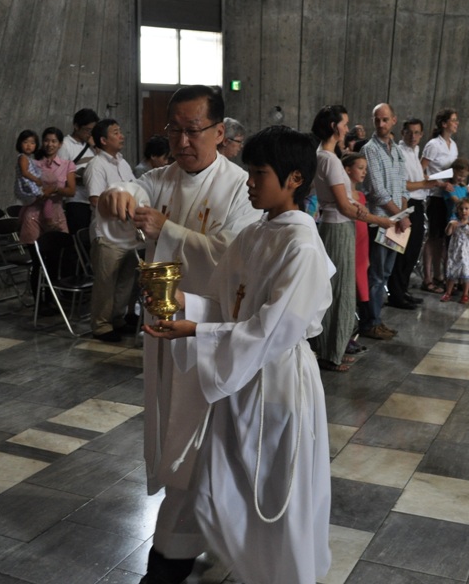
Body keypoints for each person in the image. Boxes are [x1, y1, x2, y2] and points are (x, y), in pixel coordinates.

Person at [142, 126, 332, 584]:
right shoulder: (253, 234)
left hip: (279, 384)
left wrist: (197, 330)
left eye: (259, 173)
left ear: (293, 178)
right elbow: (227, 307)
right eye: (248, 172)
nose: (249, 182)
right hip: (239, 381)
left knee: (275, 496)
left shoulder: (301, 245)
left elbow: (274, 330)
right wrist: (182, 303)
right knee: (215, 485)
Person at [96, 84, 261, 584]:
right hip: (165, 330)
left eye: (194, 130)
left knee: (209, 443)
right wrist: (116, 199)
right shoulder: (158, 178)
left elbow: (233, 254)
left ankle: (189, 549)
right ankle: (204, 539)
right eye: (174, 130)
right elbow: (129, 202)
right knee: (175, 428)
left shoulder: (240, 187)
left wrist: (167, 230)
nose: (183, 141)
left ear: (219, 132)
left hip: (213, 330)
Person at [310, 105, 390, 371]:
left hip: (335, 225)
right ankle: (330, 352)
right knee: (340, 290)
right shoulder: (330, 159)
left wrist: (358, 207)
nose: (347, 128)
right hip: (338, 228)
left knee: (337, 289)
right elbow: (343, 206)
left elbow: (343, 200)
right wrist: (380, 220)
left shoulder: (322, 155)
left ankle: (334, 347)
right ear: (334, 127)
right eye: (344, 124)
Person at [84, 119, 138, 342]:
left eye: (120, 131)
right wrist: (121, 208)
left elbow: (135, 190)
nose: (121, 136)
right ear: (103, 140)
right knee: (106, 282)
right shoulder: (97, 165)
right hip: (107, 233)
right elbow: (95, 199)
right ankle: (101, 325)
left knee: (126, 280)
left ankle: (117, 318)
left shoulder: (123, 163)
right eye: (116, 133)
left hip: (127, 232)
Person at [360, 103, 410, 341]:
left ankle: (377, 320)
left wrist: (403, 214)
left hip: (397, 222)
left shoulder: (397, 150)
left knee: (386, 273)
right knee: (377, 275)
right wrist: (400, 216)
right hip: (380, 221)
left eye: (385, 119)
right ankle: (370, 323)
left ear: (393, 121)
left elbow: (402, 186)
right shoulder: (370, 149)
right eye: (377, 119)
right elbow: (377, 191)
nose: (380, 124)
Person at [388, 118, 437, 309]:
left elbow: (414, 178)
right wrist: (425, 183)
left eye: (417, 132)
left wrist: (426, 180)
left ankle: (403, 290)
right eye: (409, 132)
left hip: (418, 203)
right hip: (406, 203)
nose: (413, 136)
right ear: (402, 133)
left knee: (413, 252)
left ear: (422, 134)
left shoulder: (415, 151)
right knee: (404, 252)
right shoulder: (399, 152)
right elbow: (402, 184)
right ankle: (396, 295)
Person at [420, 108, 460, 293]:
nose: (456, 123)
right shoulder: (433, 145)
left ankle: (440, 276)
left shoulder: (453, 145)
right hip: (435, 196)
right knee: (433, 238)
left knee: (443, 239)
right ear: (444, 124)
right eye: (453, 120)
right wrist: (439, 183)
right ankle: (427, 278)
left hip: (448, 197)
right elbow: (420, 171)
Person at [19, 127, 76, 244]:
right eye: (46, 141)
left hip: (56, 215)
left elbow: (71, 191)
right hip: (34, 215)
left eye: (54, 141)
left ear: (60, 144)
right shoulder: (33, 163)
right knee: (35, 252)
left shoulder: (68, 165)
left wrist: (54, 189)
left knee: (61, 249)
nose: (50, 144)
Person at [343, 152, 372, 355]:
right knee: (347, 292)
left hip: (361, 250)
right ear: (347, 170)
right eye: (360, 168)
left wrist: (366, 256)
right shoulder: (344, 197)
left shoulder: (361, 195)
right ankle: (345, 335)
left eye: (365, 169)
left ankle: (351, 334)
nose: (364, 172)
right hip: (349, 247)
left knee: (356, 292)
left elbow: (365, 230)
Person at [59, 108, 99, 234]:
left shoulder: (92, 145)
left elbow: (105, 160)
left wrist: (94, 145)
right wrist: (82, 178)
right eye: (87, 130)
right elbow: (60, 176)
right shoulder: (65, 145)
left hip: (94, 201)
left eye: (93, 130)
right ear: (76, 126)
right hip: (76, 201)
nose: (90, 134)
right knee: (79, 237)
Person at [443, 200, 469, 304]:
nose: (464, 211)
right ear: (457, 210)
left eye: (466, 209)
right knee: (452, 271)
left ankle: (465, 294)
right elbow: (448, 233)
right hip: (456, 250)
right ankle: (448, 293)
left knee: (466, 273)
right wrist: (450, 225)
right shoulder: (454, 221)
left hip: (468, 251)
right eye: (461, 209)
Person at [14, 130, 43, 204]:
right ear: (20, 144)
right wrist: (36, 180)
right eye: (25, 142)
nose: (29, 145)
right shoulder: (23, 157)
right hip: (26, 185)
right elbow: (25, 172)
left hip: (29, 185)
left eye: (32, 143)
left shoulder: (28, 158)